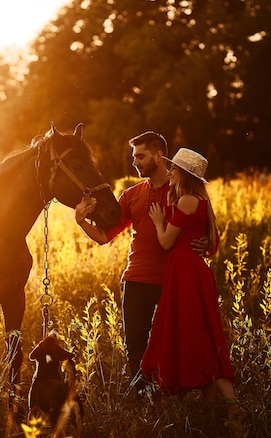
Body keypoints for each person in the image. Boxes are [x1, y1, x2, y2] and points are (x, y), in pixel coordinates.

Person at [74, 132, 208, 395]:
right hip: (137, 278)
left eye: (140, 156)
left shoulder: (181, 192)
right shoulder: (131, 195)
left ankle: (175, 397)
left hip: (173, 279)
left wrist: (208, 246)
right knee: (135, 344)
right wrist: (81, 221)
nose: (135, 162)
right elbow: (105, 236)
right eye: (134, 156)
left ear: (159, 156)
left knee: (177, 342)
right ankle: (142, 397)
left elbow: (203, 228)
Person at [140, 148, 240, 418]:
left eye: (173, 169)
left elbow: (166, 242)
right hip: (189, 271)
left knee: (200, 338)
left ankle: (232, 407)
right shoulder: (194, 200)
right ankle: (211, 410)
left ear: (183, 173)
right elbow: (209, 239)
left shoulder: (187, 201)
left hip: (185, 273)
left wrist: (159, 222)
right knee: (200, 334)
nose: (169, 172)